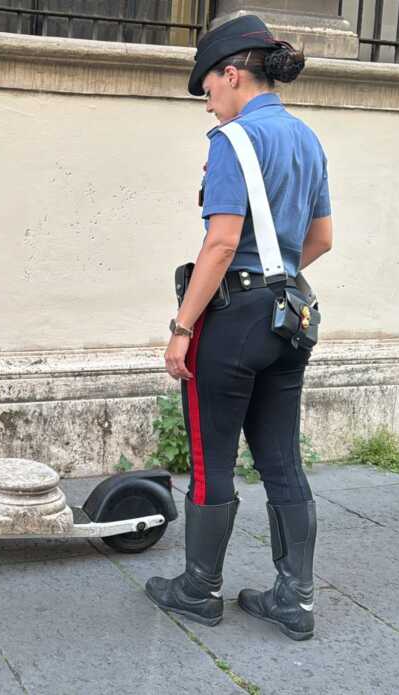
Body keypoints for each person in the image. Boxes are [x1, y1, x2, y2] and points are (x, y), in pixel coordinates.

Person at [144, 15, 333, 641]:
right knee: (281, 456)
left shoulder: (233, 141)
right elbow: (322, 239)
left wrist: (181, 325)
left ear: (232, 74)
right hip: (290, 314)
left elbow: (221, 243)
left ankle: (199, 590)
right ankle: (295, 599)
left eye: (209, 86)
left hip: (233, 318)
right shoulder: (306, 138)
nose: (208, 99)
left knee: (212, 455)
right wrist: (277, 276)